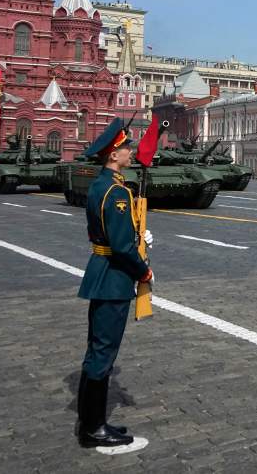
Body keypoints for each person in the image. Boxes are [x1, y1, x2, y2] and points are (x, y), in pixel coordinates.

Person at [76, 119, 151, 449]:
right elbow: (120, 247)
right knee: (103, 352)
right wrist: (143, 270)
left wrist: (136, 234)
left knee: (97, 350)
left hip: (101, 271)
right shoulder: (117, 191)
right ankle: (93, 429)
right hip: (114, 277)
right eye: (126, 149)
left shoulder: (101, 185)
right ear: (112, 155)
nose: (130, 153)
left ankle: (91, 421)